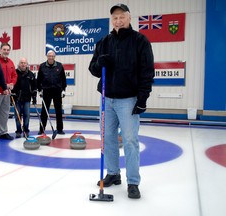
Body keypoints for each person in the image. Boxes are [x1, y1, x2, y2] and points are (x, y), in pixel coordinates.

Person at [88, 3, 154, 199]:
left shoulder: (140, 41)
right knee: (107, 139)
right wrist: (99, 64)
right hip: (107, 99)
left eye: (121, 17)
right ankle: (113, 173)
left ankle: (133, 181)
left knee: (130, 141)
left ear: (129, 18)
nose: (118, 20)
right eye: (115, 18)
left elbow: (147, 72)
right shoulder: (104, 42)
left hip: (128, 99)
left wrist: (142, 98)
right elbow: (93, 68)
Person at [0, 43, 17, 142]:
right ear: (0, 50)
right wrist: (3, 85)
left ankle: (3, 132)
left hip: (7, 93)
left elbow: (14, 75)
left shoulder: (10, 62)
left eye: (8, 50)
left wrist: (12, 84)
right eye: (4, 49)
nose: (6, 51)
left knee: (5, 113)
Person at [37, 50, 67, 135]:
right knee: (44, 111)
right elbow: (39, 79)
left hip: (57, 90)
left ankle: (60, 129)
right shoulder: (42, 66)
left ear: (54, 57)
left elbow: (63, 79)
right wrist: (39, 90)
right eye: (49, 56)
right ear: (47, 56)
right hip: (46, 90)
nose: (51, 57)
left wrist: (64, 90)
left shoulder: (59, 66)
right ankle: (42, 129)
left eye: (52, 56)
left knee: (58, 110)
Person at [12, 57, 37, 138]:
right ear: (19, 64)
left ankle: (26, 130)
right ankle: (18, 131)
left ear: (27, 64)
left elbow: (34, 87)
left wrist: (34, 97)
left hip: (27, 99)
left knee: (27, 115)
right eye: (21, 63)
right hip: (17, 98)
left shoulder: (31, 74)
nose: (23, 64)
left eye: (24, 63)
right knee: (17, 115)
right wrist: (11, 98)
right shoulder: (14, 73)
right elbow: (12, 85)